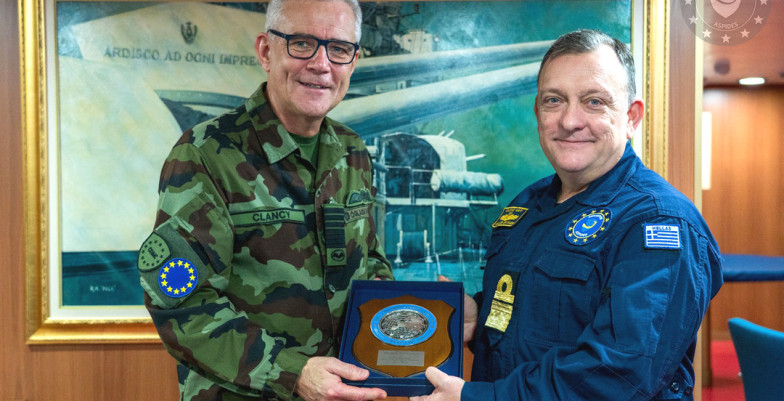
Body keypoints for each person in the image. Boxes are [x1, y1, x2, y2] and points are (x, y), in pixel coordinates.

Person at [413, 29, 723, 401]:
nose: (569, 120)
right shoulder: (526, 206)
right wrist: (479, 314)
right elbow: (543, 313)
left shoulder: (658, 222)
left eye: (594, 102)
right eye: (554, 100)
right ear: (538, 112)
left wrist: (478, 398)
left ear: (631, 118)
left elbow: (618, 375)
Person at [136, 0, 394, 400]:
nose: (322, 64)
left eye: (339, 49)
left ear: (354, 60)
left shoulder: (353, 151)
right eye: (302, 43)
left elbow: (370, 263)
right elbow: (182, 306)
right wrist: (293, 374)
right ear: (265, 51)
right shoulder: (206, 153)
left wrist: (409, 324)